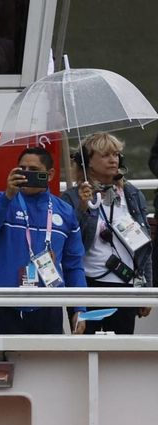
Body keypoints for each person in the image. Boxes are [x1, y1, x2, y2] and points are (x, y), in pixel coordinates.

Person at [0, 147, 86, 334]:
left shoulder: (65, 212)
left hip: (48, 307)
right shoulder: (3, 201)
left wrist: (79, 309)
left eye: (34, 171)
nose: (27, 174)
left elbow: (74, 265)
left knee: (46, 363)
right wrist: (8, 196)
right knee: (0, 363)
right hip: (4, 305)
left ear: (50, 174)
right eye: (22, 169)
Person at [68, 132, 151, 334]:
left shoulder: (131, 194)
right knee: (85, 350)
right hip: (88, 285)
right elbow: (69, 243)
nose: (113, 159)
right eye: (105, 155)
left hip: (125, 284)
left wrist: (147, 290)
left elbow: (144, 245)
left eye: (116, 154)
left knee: (120, 354)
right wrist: (82, 207)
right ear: (87, 162)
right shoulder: (73, 197)